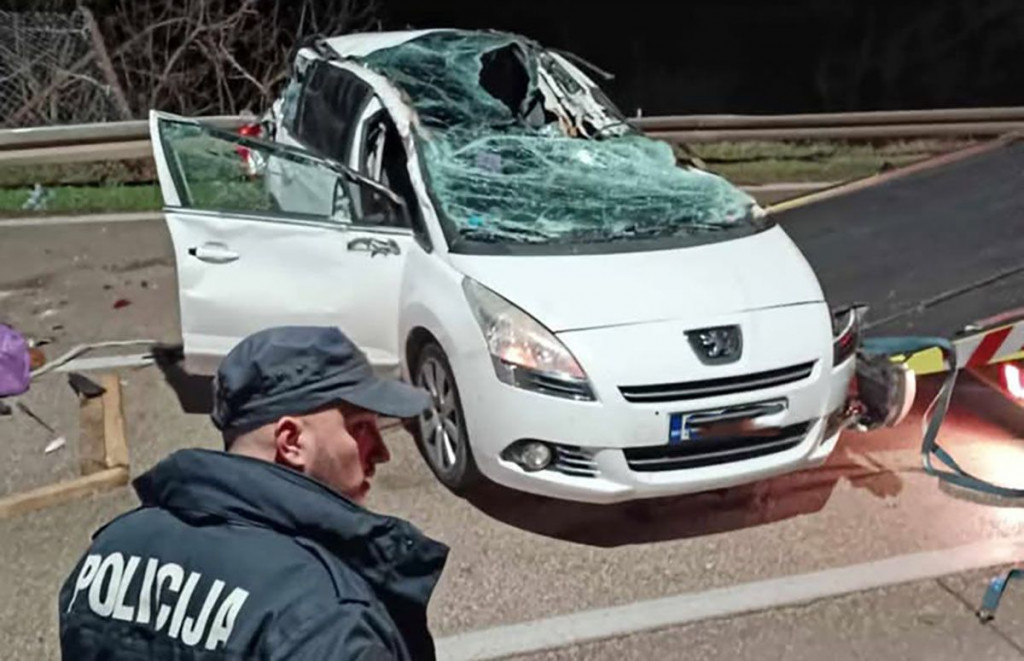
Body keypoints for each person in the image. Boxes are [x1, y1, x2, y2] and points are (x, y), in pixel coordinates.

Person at [58, 326, 449, 660]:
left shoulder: (108, 552)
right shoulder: (328, 617)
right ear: (292, 441)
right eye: (361, 428)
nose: (381, 452)